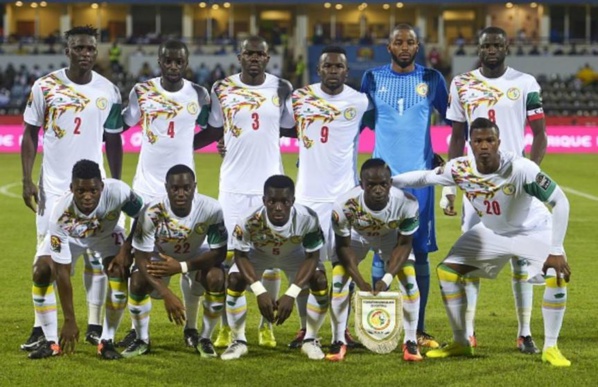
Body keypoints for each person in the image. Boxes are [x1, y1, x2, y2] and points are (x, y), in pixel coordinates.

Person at [393, 118, 571, 367]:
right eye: (478, 141)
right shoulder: (460, 168)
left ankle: (551, 347)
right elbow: (424, 178)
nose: (484, 145)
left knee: (557, 272)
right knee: (447, 271)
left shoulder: (522, 169)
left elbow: (560, 201)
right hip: (492, 232)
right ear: (470, 144)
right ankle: (461, 342)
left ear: (499, 142)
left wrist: (556, 249)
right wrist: (388, 182)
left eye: (489, 140)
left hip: (531, 230)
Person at [444, 26, 548, 353]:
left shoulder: (525, 83)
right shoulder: (461, 83)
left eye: (497, 44)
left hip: (514, 185)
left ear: (507, 47)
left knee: (521, 260)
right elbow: (457, 138)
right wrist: (449, 188)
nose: (491, 49)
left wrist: (531, 174)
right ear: (478, 47)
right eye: (486, 44)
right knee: (472, 258)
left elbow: (540, 134)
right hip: (475, 187)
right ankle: (470, 332)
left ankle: (525, 332)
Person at [21, 25, 124, 352]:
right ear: (67, 50)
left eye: (90, 49)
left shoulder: (109, 90)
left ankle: (95, 326)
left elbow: (114, 139)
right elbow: (29, 133)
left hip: (94, 192)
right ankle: (41, 329)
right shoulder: (45, 86)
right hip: (53, 189)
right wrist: (27, 178)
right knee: (47, 261)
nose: (85, 53)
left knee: (97, 260)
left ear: (97, 51)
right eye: (79, 48)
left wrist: (116, 184)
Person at [194, 35, 294, 349]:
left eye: (259, 53)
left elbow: (290, 127)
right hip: (234, 188)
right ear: (240, 56)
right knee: (226, 260)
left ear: (267, 57)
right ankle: (227, 327)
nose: (254, 58)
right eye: (248, 53)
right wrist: (184, 146)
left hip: (271, 188)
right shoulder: (221, 88)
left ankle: (267, 327)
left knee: (272, 258)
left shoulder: (282, 88)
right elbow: (213, 129)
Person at [360, 23, 449, 349]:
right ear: (388, 46)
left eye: (410, 42)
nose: (404, 47)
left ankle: (419, 328)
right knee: (381, 255)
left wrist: (443, 160)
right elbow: (361, 121)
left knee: (420, 254)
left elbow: (454, 118)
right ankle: (378, 328)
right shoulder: (371, 79)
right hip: (381, 184)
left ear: (418, 46)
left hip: (421, 182)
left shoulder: (432, 79)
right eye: (398, 41)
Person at [119, 39, 211, 350]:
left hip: (184, 191)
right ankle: (137, 332)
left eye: (179, 61)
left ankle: (192, 327)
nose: (173, 66)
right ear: (159, 61)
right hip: (146, 190)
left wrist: (187, 149)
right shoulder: (141, 91)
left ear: (186, 63)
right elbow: (123, 122)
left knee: (190, 255)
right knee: (136, 261)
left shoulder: (199, 94)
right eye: (167, 61)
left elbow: (214, 128)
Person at [284, 45, 371, 352]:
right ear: (318, 70)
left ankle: (341, 332)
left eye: (339, 67)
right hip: (307, 197)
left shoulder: (360, 101)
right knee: (305, 267)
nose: (333, 71)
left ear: (346, 72)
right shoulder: (298, 97)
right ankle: (304, 328)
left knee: (342, 267)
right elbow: (277, 127)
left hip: (343, 198)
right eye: (328, 66)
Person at [27, 160, 143, 359]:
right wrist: (70, 320)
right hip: (71, 238)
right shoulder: (61, 214)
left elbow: (143, 216)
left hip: (106, 236)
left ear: (102, 186)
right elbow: (62, 271)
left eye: (93, 190)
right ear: (72, 188)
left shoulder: (119, 191)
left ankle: (106, 341)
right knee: (41, 270)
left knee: (119, 272)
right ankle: (51, 342)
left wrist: (126, 247)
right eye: (81, 191)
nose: (87, 196)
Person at [120, 165, 228, 358]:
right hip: (160, 256)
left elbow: (219, 252)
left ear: (194, 187)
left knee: (217, 277)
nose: (181, 193)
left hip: (196, 255)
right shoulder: (152, 211)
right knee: (137, 281)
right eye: (175, 188)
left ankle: (204, 339)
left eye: (186, 188)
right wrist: (166, 293)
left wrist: (183, 267)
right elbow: (141, 257)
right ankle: (141, 339)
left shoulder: (211, 208)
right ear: (166, 187)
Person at [220, 175, 329, 361]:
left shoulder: (308, 217)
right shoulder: (248, 219)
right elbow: (241, 256)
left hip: (293, 254)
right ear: (264, 201)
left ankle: (310, 339)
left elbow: (312, 257)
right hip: (258, 254)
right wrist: (259, 291)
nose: (278, 207)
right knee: (234, 279)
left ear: (292, 201)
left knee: (320, 279)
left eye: (284, 202)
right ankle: (238, 341)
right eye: (272, 201)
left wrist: (292, 293)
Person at [330, 159, 422, 362]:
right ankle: (338, 341)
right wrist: (360, 281)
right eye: (371, 184)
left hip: (390, 236)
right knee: (339, 279)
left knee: (408, 278)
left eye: (383, 184)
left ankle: (410, 341)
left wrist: (387, 278)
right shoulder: (344, 205)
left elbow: (404, 244)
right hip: (357, 236)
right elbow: (343, 247)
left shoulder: (408, 203)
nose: (378, 189)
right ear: (361, 184)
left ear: (390, 183)